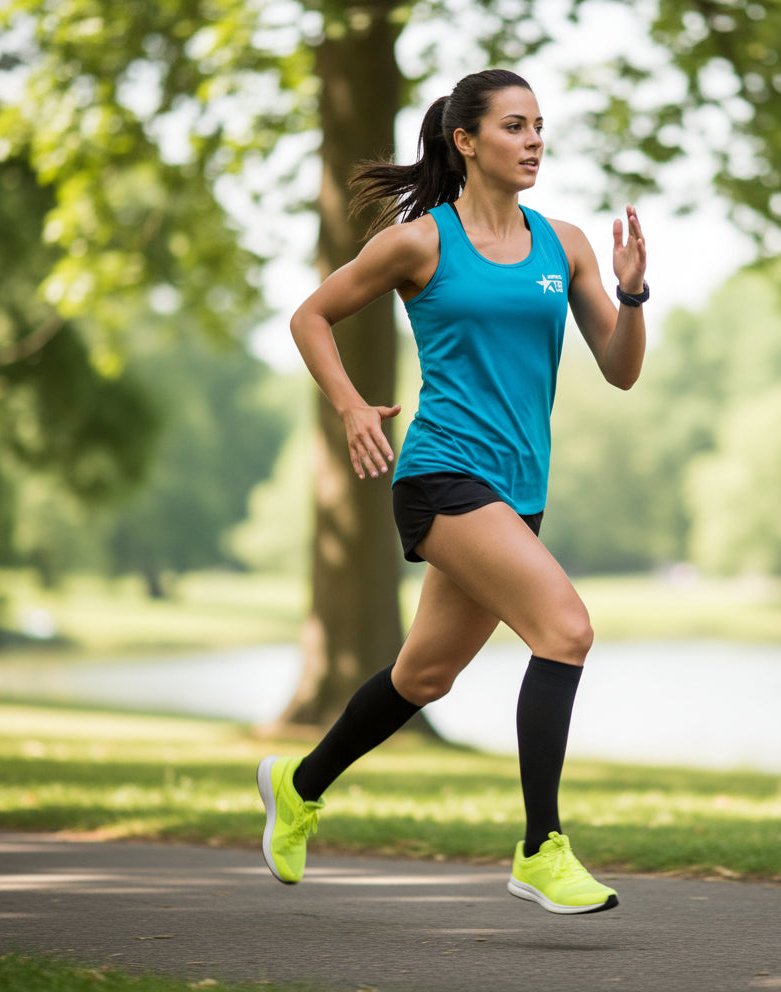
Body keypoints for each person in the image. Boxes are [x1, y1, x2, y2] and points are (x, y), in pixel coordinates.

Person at [258, 68, 647, 916]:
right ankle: (541, 849)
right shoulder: (421, 244)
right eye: (514, 126)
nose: (534, 141)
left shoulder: (566, 245)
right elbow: (310, 316)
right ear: (465, 141)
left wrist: (631, 292)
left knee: (424, 675)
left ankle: (298, 784)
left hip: (519, 491)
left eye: (539, 126)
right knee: (567, 629)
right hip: (442, 476)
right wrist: (351, 404)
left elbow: (620, 370)